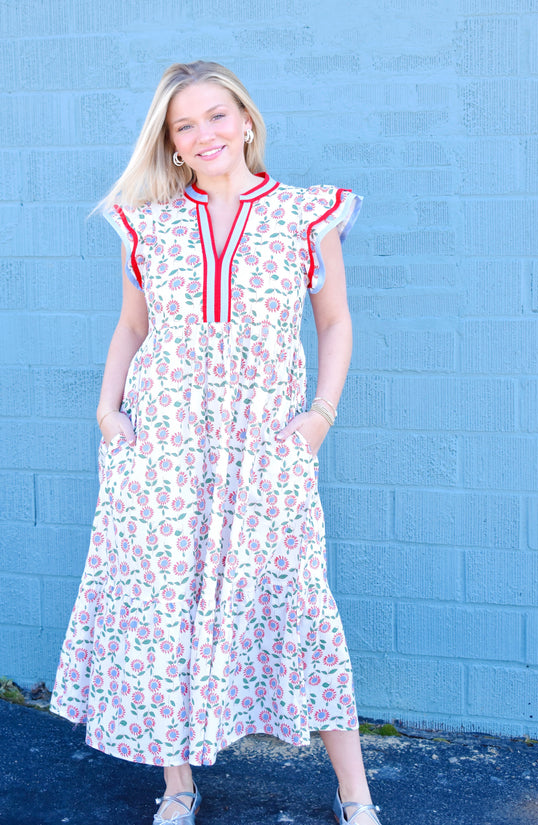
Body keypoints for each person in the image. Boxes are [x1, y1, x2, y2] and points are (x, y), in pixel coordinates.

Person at [50, 61, 380, 825]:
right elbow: (133, 327)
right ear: (169, 144)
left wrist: (319, 415)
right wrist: (109, 413)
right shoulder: (150, 223)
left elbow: (335, 320)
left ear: (247, 121)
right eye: (184, 125)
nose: (205, 134)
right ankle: (176, 784)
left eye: (216, 116)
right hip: (161, 449)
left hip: (267, 447)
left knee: (300, 602)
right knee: (168, 608)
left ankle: (356, 792)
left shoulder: (308, 214)